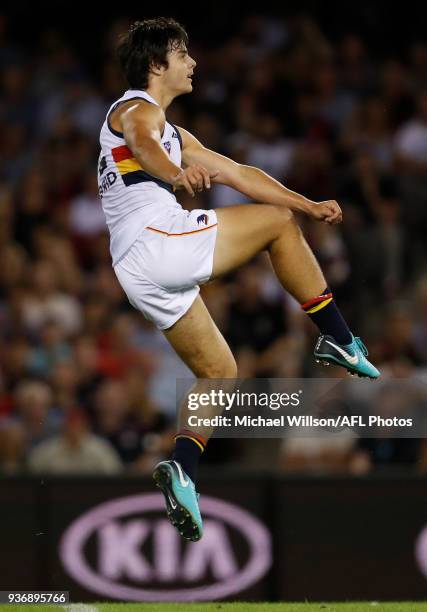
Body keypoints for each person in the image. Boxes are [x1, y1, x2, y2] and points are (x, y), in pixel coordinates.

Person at [97, 17, 380, 542]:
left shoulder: (173, 132)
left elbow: (240, 174)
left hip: (136, 269)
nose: (193, 63)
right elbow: (143, 144)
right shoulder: (137, 108)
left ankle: (182, 468)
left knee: (220, 370)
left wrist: (308, 203)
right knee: (275, 226)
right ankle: (339, 338)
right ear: (157, 64)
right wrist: (174, 174)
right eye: (183, 53)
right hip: (155, 238)